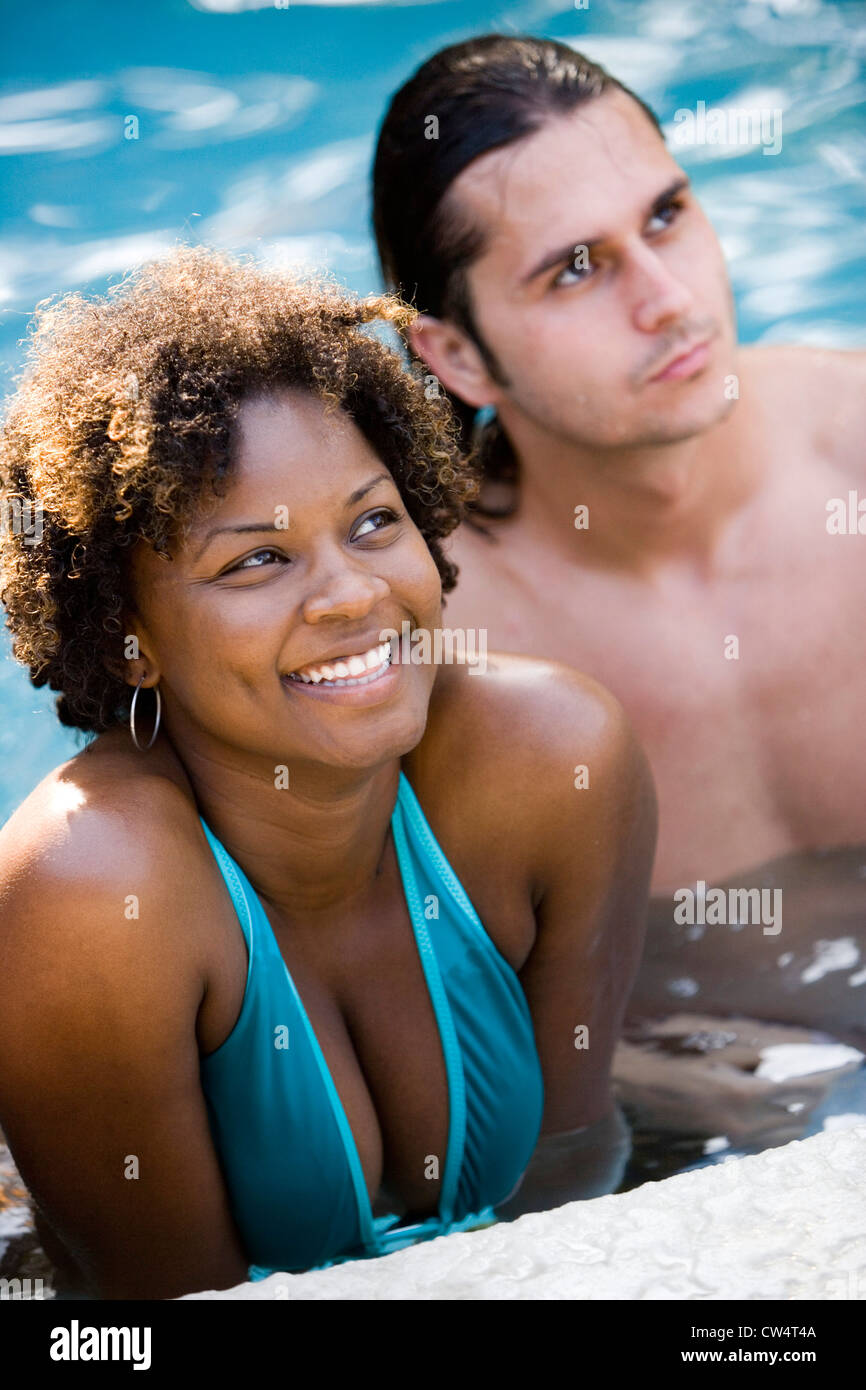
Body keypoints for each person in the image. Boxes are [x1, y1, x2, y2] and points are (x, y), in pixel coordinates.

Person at [0, 245, 656, 1299]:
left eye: (371, 521)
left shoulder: (555, 762)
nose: (351, 595)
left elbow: (573, 1166)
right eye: (255, 558)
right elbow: (153, 1319)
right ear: (131, 639)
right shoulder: (91, 894)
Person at [371, 35, 866, 1067]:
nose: (666, 298)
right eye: (575, 269)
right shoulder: (420, 640)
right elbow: (328, 1006)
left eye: (666, 217)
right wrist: (635, 1089)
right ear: (456, 355)